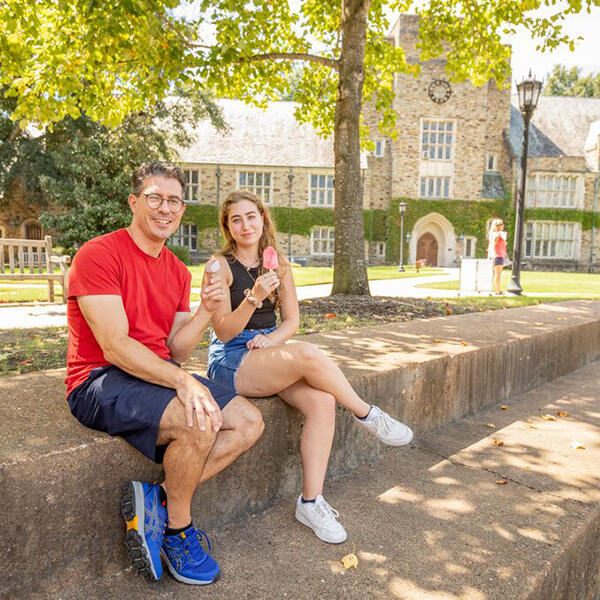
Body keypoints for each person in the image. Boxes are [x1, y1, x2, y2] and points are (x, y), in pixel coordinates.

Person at [65, 162, 264, 586]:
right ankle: (177, 530)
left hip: (155, 371)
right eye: (155, 197)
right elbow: (115, 345)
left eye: (174, 200)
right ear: (134, 202)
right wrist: (182, 380)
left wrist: (206, 312)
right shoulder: (98, 254)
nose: (164, 208)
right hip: (99, 378)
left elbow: (176, 347)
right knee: (201, 420)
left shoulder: (175, 269)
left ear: (182, 208)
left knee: (249, 422)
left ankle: (156, 499)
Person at [207, 190, 413, 545]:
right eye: (236, 219)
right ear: (228, 226)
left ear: (263, 218)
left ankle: (311, 502)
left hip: (268, 350)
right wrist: (254, 297)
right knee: (307, 355)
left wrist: (273, 341)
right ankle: (367, 415)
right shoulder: (219, 266)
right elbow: (223, 330)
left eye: (251, 216)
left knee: (322, 402)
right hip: (232, 358)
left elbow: (292, 321)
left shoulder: (278, 263)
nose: (245, 225)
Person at [487, 218, 508, 295]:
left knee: (496, 274)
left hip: (499, 255)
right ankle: (497, 291)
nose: (502, 226)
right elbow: (493, 246)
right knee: (497, 274)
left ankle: (496, 290)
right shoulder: (497, 235)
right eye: (500, 225)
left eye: (502, 224)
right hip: (498, 256)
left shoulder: (499, 235)